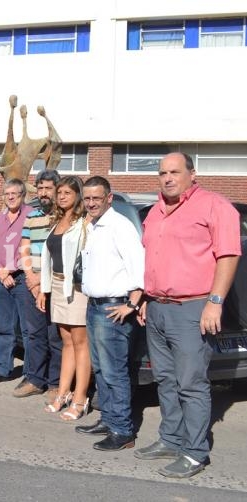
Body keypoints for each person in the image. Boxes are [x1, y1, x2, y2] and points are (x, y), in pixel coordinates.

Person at [135, 152, 240, 478]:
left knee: (191, 383)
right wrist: (144, 298)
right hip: (157, 308)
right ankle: (170, 438)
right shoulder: (155, 211)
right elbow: (150, 257)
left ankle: (195, 452)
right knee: (165, 379)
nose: (167, 178)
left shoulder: (214, 206)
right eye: (162, 172)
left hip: (193, 308)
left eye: (175, 172)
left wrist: (215, 301)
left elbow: (228, 255)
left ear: (192, 174)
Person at [75, 176, 144, 451]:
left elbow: (139, 267)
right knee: (102, 370)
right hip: (95, 306)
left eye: (96, 198)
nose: (91, 203)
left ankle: (123, 430)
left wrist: (133, 304)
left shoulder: (120, 226)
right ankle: (109, 419)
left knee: (115, 372)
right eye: (88, 198)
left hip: (113, 309)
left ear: (109, 198)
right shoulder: (93, 225)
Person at [37, 175, 90, 420]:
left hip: (77, 289)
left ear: (78, 195)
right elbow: (47, 259)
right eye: (60, 193)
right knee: (66, 342)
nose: (62, 196)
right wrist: (44, 290)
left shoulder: (85, 222)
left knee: (81, 344)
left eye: (67, 193)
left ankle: (80, 398)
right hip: (57, 286)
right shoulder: (57, 220)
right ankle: (63, 393)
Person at [15, 169, 63, 399]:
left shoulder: (66, 217)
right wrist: (31, 278)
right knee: (34, 334)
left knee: (56, 336)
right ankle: (35, 379)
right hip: (31, 284)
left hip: (55, 286)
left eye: (48, 188)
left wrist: (43, 282)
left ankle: (55, 384)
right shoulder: (31, 216)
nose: (44, 193)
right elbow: (24, 247)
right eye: (40, 188)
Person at [0, 178, 32, 385]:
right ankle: (3, 369)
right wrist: (0, 272)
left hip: (23, 278)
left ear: (22, 195)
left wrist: (9, 270)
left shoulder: (31, 215)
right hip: (2, 279)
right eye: (7, 194)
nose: (10, 197)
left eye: (15, 194)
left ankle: (31, 375)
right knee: (4, 328)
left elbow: (29, 249)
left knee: (29, 331)